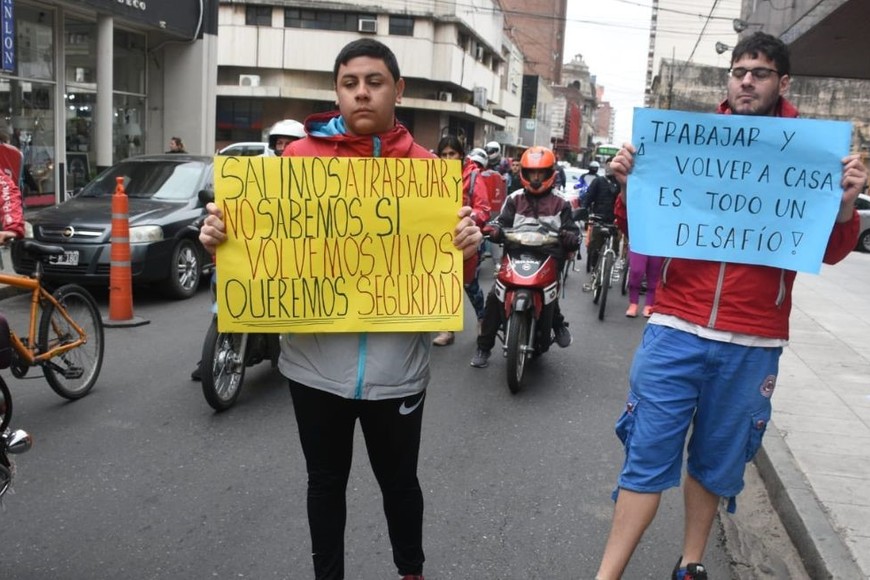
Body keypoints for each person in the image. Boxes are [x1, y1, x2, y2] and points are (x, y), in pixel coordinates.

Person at [198, 38, 481, 580]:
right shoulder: (295, 163)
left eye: (374, 82)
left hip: (398, 373)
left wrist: (467, 249)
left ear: (397, 89)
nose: (361, 94)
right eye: (349, 83)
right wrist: (219, 238)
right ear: (337, 91)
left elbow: (453, 277)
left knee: (400, 484)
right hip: (312, 369)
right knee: (324, 483)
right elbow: (256, 250)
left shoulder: (428, 174)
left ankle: (410, 571)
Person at [595, 32, 868, 580]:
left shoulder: (815, 154)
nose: (746, 80)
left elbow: (836, 252)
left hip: (754, 339)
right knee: (647, 455)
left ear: (782, 82)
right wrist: (630, 186)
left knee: (716, 464)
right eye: (739, 70)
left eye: (760, 72)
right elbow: (638, 231)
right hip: (676, 327)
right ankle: (607, 574)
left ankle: (691, 565)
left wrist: (842, 207)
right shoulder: (691, 142)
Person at [470, 146, 579, 369]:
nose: (536, 178)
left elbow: (574, 231)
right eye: (532, 173)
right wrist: (494, 229)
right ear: (525, 174)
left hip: (548, 256)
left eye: (541, 173)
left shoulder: (562, 202)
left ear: (550, 173)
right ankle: (484, 347)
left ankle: (557, 323)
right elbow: (500, 222)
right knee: (494, 297)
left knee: (550, 293)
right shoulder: (514, 198)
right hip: (516, 253)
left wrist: (571, 236)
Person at [432, 137, 490, 347]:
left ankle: (483, 319)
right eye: (444, 154)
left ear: (461, 155)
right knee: (442, 284)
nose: (448, 158)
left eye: (452, 154)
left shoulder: (473, 176)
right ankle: (446, 329)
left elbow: (483, 209)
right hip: (438, 241)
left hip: (465, 241)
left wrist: (467, 219)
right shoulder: (430, 176)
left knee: (469, 285)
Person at [583, 156, 621, 274]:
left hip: (615, 220)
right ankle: (595, 270)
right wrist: (584, 212)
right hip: (599, 218)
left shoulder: (621, 183)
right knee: (595, 247)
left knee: (614, 249)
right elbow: (588, 198)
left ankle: (608, 270)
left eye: (612, 165)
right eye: (608, 165)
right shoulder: (598, 181)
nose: (610, 168)